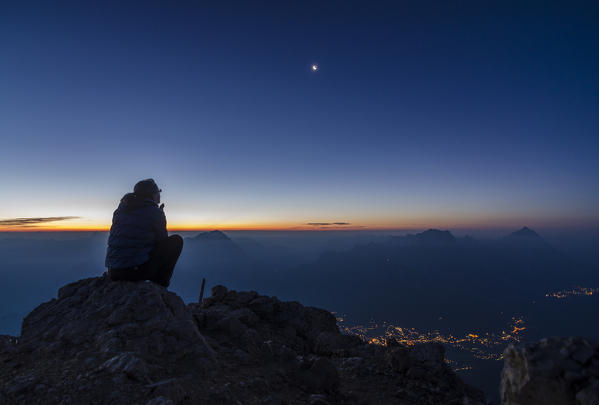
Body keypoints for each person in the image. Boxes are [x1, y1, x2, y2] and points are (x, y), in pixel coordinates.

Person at [105, 179, 183, 287]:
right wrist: (161, 216)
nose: (159, 196)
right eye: (157, 193)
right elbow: (162, 241)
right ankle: (161, 285)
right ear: (151, 195)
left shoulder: (120, 210)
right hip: (134, 272)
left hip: (113, 271)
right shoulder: (154, 212)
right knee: (176, 241)